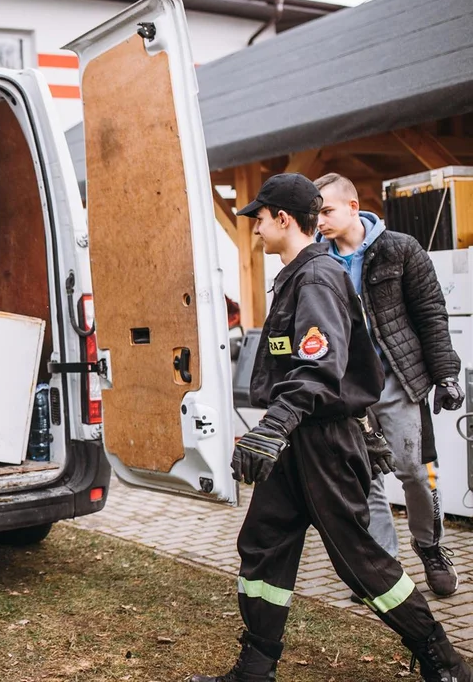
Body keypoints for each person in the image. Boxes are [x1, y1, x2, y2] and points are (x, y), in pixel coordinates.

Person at [190, 174, 471, 682]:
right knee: (263, 543)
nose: (253, 227)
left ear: (282, 218)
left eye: (259, 216)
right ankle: (256, 667)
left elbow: (322, 367)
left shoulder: (316, 278)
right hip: (296, 437)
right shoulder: (297, 275)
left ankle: (445, 662)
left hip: (316, 439)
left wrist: (273, 427)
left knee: (359, 561)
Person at [315, 172, 462, 598]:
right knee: (365, 480)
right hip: (347, 392)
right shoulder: (315, 262)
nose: (320, 220)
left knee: (415, 473)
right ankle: (383, 568)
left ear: (352, 207)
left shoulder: (401, 249)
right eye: (315, 213)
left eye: (326, 211)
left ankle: (430, 547)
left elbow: (431, 315)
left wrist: (446, 374)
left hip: (398, 382)